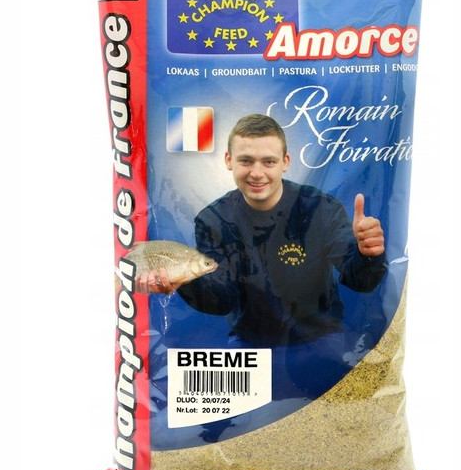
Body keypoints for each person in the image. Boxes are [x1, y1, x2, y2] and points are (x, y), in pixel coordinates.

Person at [138, 114, 388, 352]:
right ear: (228, 160)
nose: (257, 173)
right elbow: (221, 302)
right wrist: (182, 280)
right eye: (246, 161)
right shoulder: (212, 220)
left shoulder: (322, 208)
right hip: (248, 342)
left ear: (285, 162)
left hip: (322, 339)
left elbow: (361, 282)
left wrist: (368, 254)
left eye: (269, 162)